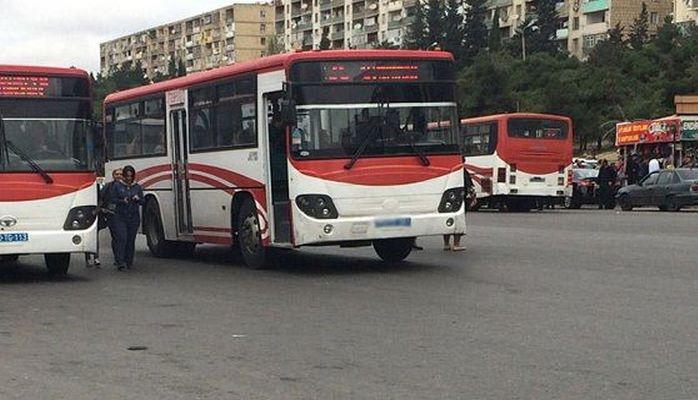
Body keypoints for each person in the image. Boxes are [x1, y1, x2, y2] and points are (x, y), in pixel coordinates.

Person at [86, 169, 123, 268]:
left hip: (120, 214)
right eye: (116, 174)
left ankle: (118, 259)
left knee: (118, 237)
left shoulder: (127, 186)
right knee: (93, 236)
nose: (118, 176)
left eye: (120, 174)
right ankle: (91, 257)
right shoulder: (107, 186)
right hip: (100, 213)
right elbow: (101, 199)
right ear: (113, 175)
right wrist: (99, 210)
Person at [111, 165, 144, 270]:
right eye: (127, 176)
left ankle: (129, 261)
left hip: (133, 216)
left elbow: (143, 201)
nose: (129, 178)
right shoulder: (117, 186)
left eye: (131, 176)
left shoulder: (137, 187)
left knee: (131, 239)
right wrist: (122, 201)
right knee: (122, 238)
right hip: (120, 216)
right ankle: (120, 262)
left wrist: (137, 199)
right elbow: (112, 199)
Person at [442, 167, 475, 252]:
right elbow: (469, 186)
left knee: (448, 220)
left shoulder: (448, 169)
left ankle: (446, 244)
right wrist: (472, 197)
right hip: (460, 199)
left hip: (447, 198)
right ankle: (456, 244)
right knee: (459, 221)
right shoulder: (462, 171)